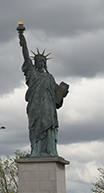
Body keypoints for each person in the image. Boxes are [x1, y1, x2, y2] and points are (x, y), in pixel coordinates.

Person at [18, 24, 69, 157]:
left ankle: (49, 151)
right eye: (37, 61)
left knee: (48, 127)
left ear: (45, 63)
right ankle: (36, 151)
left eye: (42, 61)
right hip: (35, 107)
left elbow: (57, 94)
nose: (39, 63)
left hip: (47, 107)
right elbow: (26, 56)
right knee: (35, 128)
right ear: (34, 63)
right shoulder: (31, 73)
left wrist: (63, 92)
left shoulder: (49, 77)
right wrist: (22, 37)